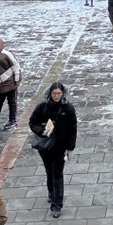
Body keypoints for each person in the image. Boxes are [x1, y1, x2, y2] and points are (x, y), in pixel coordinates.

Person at [28, 81, 77, 217]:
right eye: (54, 94)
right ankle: (51, 192)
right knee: (49, 170)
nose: (56, 96)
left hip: (59, 147)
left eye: (59, 94)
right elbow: (32, 122)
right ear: (50, 94)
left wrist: (70, 148)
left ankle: (57, 205)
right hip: (44, 145)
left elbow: (72, 130)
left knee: (57, 174)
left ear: (63, 93)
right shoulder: (42, 107)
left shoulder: (68, 109)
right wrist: (42, 131)